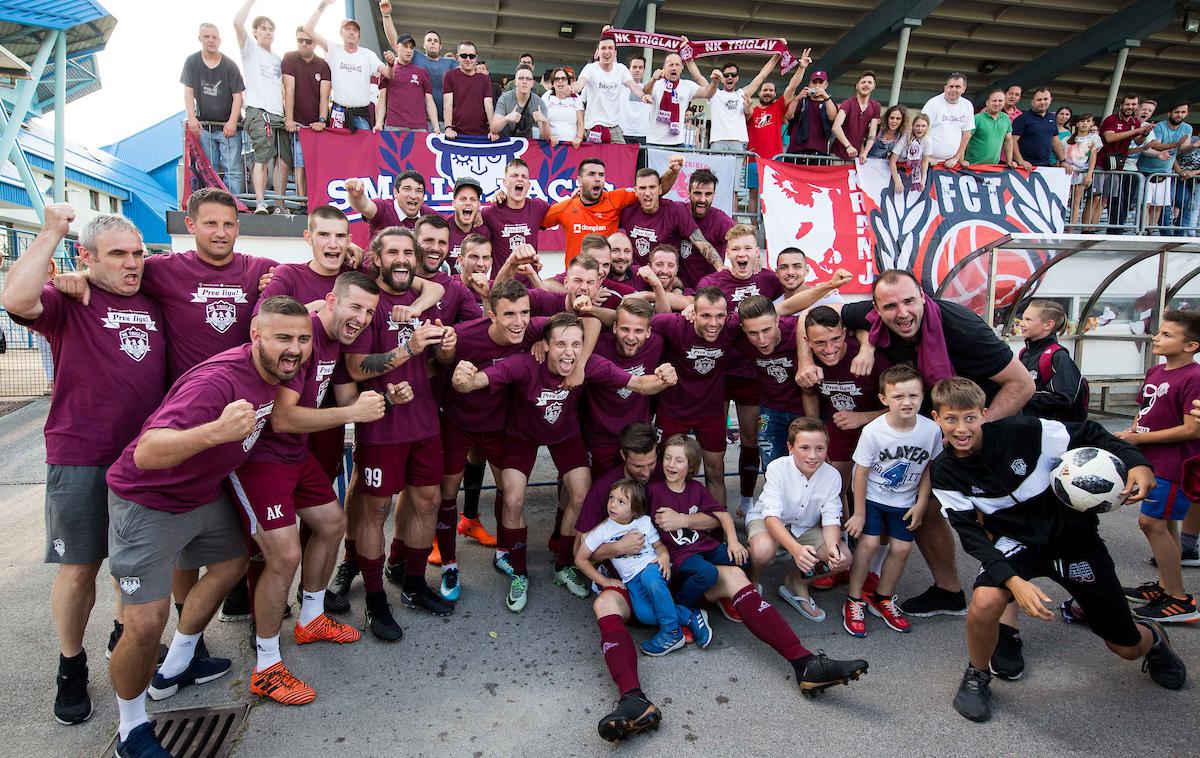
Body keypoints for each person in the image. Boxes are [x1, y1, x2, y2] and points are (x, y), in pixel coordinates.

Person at [103, 296, 310, 756]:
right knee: (143, 623)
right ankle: (130, 730)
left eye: (302, 338)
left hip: (202, 494)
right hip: (147, 501)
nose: (293, 349)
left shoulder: (279, 371)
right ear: (255, 335)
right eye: (282, 338)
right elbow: (146, 452)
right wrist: (215, 432)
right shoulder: (217, 381)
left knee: (233, 561)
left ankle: (177, 664)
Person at [928, 377, 1183, 723]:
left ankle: (1152, 640)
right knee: (986, 600)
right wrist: (1012, 581)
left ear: (985, 414)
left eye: (970, 417)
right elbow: (970, 535)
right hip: (1017, 545)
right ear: (937, 418)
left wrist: (1137, 462)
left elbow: (1090, 433)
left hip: (1075, 541)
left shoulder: (1025, 431)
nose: (961, 428)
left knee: (1124, 647)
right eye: (951, 419)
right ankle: (977, 674)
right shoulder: (944, 471)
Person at [2, 207, 167, 725]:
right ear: (87, 256)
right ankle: (71, 665)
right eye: (117, 254)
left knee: (130, 566)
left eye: (137, 253)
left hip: (143, 461)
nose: (132, 264)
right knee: (79, 568)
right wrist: (51, 232)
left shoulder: (154, 301)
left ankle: (124, 644)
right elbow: (16, 299)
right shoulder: (68, 301)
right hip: (81, 455)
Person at [809, 269, 1035, 619]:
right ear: (875, 310)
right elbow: (812, 319)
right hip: (935, 426)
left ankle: (1006, 625)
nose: (902, 313)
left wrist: (971, 432)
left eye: (909, 301)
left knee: (993, 516)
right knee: (925, 505)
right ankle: (949, 592)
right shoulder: (871, 316)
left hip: (984, 425)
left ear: (923, 298)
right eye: (890, 306)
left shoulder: (961, 327)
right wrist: (832, 353)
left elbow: (1021, 385)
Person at [452, 312, 676, 612]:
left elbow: (641, 385)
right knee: (514, 497)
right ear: (544, 345)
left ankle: (564, 564)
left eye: (575, 344)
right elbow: (477, 381)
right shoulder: (524, 363)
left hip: (565, 435)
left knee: (581, 492)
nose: (568, 352)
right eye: (560, 344)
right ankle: (518, 570)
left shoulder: (590, 364)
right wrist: (464, 377)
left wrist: (664, 378)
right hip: (521, 434)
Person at [231, 275, 385, 705]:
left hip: (295, 455)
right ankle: (266, 664)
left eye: (369, 312)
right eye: (354, 308)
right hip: (261, 457)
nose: (361, 318)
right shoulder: (307, 335)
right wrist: (353, 412)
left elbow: (343, 390)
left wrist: (381, 395)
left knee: (332, 523)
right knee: (284, 554)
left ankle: (312, 617)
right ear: (331, 301)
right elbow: (282, 417)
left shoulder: (334, 338)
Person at [341, 227, 454, 642]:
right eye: (393, 252)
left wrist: (444, 347)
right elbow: (354, 366)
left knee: (427, 500)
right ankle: (374, 599)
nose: (403, 259)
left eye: (409, 251)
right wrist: (409, 350)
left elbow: (438, 296)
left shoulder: (424, 297)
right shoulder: (368, 300)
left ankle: (412, 583)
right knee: (376, 509)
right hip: (382, 424)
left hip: (424, 421)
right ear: (376, 257)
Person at [1114, 309, 1200, 622]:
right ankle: (1166, 587)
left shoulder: (1194, 377)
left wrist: (1141, 441)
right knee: (1165, 524)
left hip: (1175, 464)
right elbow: (1145, 410)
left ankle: (1179, 600)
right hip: (1153, 460)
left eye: (1167, 334)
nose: (1156, 338)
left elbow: (1193, 429)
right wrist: (1133, 432)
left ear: (1190, 346)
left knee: (1151, 524)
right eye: (1158, 332)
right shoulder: (1156, 372)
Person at [844, 364, 939, 637]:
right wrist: (859, 512)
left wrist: (922, 502)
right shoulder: (874, 431)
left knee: (901, 549)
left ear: (923, 396)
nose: (907, 402)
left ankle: (883, 597)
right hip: (873, 498)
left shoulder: (930, 430)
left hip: (906, 501)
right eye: (898, 397)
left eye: (913, 396)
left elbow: (929, 468)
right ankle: (854, 599)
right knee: (869, 543)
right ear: (884, 399)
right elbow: (860, 473)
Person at [576, 478, 692, 656]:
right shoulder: (603, 530)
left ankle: (672, 632)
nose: (613, 504)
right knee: (645, 615)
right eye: (611, 498)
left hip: (653, 568)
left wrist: (664, 555)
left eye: (621, 501)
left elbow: (659, 546)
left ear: (635, 509)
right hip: (631, 580)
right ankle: (689, 615)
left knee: (649, 577)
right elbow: (580, 559)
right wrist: (604, 580)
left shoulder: (644, 522)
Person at [751, 418, 850, 622]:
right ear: (790, 447)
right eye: (804, 448)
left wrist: (833, 549)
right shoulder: (777, 468)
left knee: (844, 558)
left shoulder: (832, 476)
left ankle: (797, 581)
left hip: (802, 526)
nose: (813, 456)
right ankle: (750, 582)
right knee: (763, 550)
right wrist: (796, 550)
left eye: (819, 448)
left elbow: (831, 518)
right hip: (769, 521)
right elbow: (771, 516)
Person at [648, 435, 746, 626]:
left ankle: (722, 593)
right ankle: (680, 605)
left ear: (691, 467)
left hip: (703, 544)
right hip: (678, 552)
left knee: (742, 557)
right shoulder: (654, 490)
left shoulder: (696, 488)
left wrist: (733, 542)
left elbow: (723, 515)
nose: (671, 464)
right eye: (667, 458)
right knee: (707, 573)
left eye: (679, 460)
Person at [540, 156, 680, 266]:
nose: (597, 179)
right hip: (576, 279)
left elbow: (652, 190)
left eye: (601, 175)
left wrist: (672, 171)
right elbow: (533, 221)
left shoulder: (616, 198)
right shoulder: (566, 208)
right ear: (579, 180)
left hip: (607, 278)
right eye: (591, 174)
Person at [583, 298, 665, 475]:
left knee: (638, 490)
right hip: (599, 435)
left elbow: (676, 320)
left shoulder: (657, 343)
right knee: (598, 489)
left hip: (637, 434)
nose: (631, 336)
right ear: (614, 328)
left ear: (649, 332)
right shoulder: (595, 345)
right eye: (625, 329)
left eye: (638, 331)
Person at [234, 1, 290, 214]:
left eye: (271, 29)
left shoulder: (276, 58)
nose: (268, 33)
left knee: (283, 161)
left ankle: (279, 204)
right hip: (259, 111)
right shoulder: (250, 50)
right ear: (255, 32)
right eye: (264, 28)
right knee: (262, 157)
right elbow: (237, 23)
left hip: (278, 114)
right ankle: (260, 202)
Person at [620, 167, 719, 282]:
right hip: (636, 277)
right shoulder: (627, 211)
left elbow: (702, 243)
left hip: (666, 279)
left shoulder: (675, 211)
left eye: (652, 187)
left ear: (660, 189)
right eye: (642, 188)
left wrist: (720, 267)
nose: (647, 193)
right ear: (636, 191)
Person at [182, 23, 245, 196]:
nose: (211, 40)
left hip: (228, 127)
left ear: (220, 40)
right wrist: (192, 117)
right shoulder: (192, 62)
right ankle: (212, 202)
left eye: (214, 37)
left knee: (232, 169)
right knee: (208, 168)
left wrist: (232, 122)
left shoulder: (229, 65)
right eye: (207, 37)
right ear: (200, 38)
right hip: (205, 126)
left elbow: (238, 95)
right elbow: (188, 91)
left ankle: (233, 203)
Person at [305, 2, 387, 132]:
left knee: (363, 150)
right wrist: (323, 5)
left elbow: (388, 73)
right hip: (339, 111)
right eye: (347, 29)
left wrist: (393, 63)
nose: (351, 32)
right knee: (337, 150)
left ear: (359, 35)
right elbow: (308, 29)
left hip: (361, 113)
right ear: (341, 33)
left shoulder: (368, 54)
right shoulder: (333, 49)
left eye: (355, 30)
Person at [281, 25, 331, 198]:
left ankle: (316, 200)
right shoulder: (289, 58)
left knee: (317, 165)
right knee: (300, 164)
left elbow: (325, 96)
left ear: (314, 43)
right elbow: (289, 91)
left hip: (318, 125)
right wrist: (288, 119)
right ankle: (303, 203)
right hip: (298, 124)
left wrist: (322, 121)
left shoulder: (323, 64)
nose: (303, 44)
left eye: (308, 41)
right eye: (300, 40)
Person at [1017, 300, 1086, 423]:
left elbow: (1063, 398)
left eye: (1028, 320)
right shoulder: (1024, 353)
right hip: (1027, 425)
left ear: (1048, 325)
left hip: (1052, 430)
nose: (1021, 324)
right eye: (1022, 318)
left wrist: (1022, 396)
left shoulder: (1058, 356)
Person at [572, 37, 652, 144]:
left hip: (614, 128)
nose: (606, 52)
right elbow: (580, 83)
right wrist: (573, 88)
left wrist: (643, 96)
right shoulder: (590, 68)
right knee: (592, 160)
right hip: (593, 127)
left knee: (622, 158)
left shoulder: (621, 69)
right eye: (603, 48)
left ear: (614, 52)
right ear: (598, 52)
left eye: (610, 48)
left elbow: (633, 86)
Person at [481, 159, 551, 275]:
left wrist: (578, 197)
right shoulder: (489, 213)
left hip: (530, 286)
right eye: (514, 175)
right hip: (502, 286)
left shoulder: (539, 207)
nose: (519, 179)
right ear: (504, 182)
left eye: (524, 176)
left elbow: (565, 211)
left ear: (528, 185)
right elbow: (470, 224)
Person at [1099, 93, 1155, 233]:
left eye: (1133, 104)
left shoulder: (1135, 123)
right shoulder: (1111, 119)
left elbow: (1137, 141)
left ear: (1137, 106)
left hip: (1119, 165)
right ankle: (1089, 230)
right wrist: (1138, 130)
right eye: (1127, 104)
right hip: (1102, 163)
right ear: (1121, 106)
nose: (1130, 107)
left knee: (1118, 200)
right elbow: (1110, 138)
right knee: (1100, 199)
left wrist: (1145, 133)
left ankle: (1116, 230)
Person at [1139, 102, 1193, 230]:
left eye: (1183, 112)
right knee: (1145, 204)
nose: (1179, 115)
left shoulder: (1187, 128)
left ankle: (1150, 231)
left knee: (1158, 206)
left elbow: (1184, 149)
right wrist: (1175, 144)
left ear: (1187, 114)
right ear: (1170, 113)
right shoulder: (1159, 126)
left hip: (1165, 172)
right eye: (1177, 112)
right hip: (1146, 170)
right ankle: (1142, 230)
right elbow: (1156, 145)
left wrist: (1193, 146)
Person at [679, 169, 735, 288]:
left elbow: (743, 237)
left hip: (708, 291)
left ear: (714, 195)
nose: (702, 199)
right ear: (688, 193)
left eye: (708, 194)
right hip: (677, 288)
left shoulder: (722, 221)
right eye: (697, 193)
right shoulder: (678, 213)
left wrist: (755, 258)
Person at [345, 170, 438, 240]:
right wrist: (357, 196)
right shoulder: (383, 208)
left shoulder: (429, 215)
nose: (413, 196)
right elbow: (364, 206)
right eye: (407, 189)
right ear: (395, 192)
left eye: (419, 191)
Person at [376, 30, 439, 132]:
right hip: (394, 126)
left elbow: (429, 100)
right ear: (396, 47)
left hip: (419, 127)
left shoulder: (422, 73)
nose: (409, 50)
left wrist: (436, 126)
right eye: (405, 46)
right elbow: (381, 98)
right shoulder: (387, 71)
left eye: (411, 47)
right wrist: (379, 123)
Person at [921, 73, 973, 168]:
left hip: (951, 163)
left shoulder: (967, 105)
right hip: (929, 161)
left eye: (957, 87)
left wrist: (956, 158)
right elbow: (920, 131)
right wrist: (926, 156)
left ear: (964, 89)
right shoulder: (933, 103)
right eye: (951, 86)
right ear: (945, 88)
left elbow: (966, 134)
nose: (953, 89)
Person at [443, 40, 494, 139]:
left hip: (482, 134)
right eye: (464, 56)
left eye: (471, 56)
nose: (468, 59)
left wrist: (493, 129)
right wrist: (448, 128)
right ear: (458, 57)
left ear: (476, 58)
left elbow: (488, 105)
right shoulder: (449, 76)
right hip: (456, 134)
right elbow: (447, 104)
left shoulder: (485, 79)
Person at [1062, 114, 1103, 229]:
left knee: (1076, 202)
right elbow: (1061, 155)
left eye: (1088, 121)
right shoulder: (1067, 138)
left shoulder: (1094, 138)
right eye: (1082, 121)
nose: (1084, 123)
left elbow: (1093, 157)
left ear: (1092, 123)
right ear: (1077, 123)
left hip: (1080, 172)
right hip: (1065, 172)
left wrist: (1089, 174)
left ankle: (1070, 229)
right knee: (1063, 201)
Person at [490, 65, 551, 141]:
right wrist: (507, 118)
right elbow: (493, 128)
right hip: (506, 142)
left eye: (528, 79)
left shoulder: (539, 102)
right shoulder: (505, 98)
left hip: (527, 145)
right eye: (521, 78)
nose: (524, 82)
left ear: (532, 83)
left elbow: (546, 137)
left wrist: (544, 121)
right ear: (515, 82)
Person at [831, 70, 881, 161]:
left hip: (858, 156)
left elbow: (872, 133)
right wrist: (848, 146)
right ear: (857, 86)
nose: (866, 85)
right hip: (838, 154)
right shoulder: (847, 103)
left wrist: (865, 152)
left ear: (874, 86)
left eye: (869, 82)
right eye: (863, 82)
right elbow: (836, 127)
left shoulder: (876, 106)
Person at [1011, 87, 1066, 170]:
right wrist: (1021, 161)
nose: (1042, 102)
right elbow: (1012, 141)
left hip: (1045, 166)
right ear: (1032, 102)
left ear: (1050, 100)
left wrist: (1063, 161)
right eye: (1039, 100)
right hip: (1025, 167)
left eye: (1045, 99)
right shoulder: (1022, 118)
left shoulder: (1052, 118)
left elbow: (1056, 142)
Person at [785, 69, 837, 156]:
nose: (817, 85)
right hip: (796, 151)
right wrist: (797, 98)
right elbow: (788, 116)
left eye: (820, 83)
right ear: (809, 84)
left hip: (819, 152)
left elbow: (832, 117)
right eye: (814, 82)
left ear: (826, 85)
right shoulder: (802, 101)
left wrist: (826, 97)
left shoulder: (829, 103)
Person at [964, 90, 1015, 167]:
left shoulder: (1006, 118)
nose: (997, 103)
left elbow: (1008, 140)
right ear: (987, 103)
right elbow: (965, 139)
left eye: (1000, 101)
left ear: (1004, 102)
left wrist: (1009, 160)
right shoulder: (977, 118)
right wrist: (962, 160)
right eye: (994, 101)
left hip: (993, 167)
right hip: (973, 166)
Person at [889, 114, 933, 194]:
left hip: (913, 170)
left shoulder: (927, 140)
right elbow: (892, 160)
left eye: (923, 126)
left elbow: (924, 161)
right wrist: (897, 181)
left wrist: (923, 180)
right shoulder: (906, 137)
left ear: (927, 127)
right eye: (917, 126)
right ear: (913, 126)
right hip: (898, 167)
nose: (920, 129)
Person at [544, 67, 584, 148]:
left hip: (572, 145)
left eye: (563, 79)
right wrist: (549, 137)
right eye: (556, 79)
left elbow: (580, 122)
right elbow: (543, 121)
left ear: (568, 82)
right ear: (552, 83)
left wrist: (579, 138)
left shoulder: (576, 97)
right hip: (551, 144)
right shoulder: (547, 96)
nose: (560, 81)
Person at [619, 55, 652, 145]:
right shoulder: (620, 86)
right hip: (623, 133)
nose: (637, 70)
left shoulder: (649, 88)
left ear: (644, 70)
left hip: (643, 134)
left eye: (640, 67)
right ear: (629, 69)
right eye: (634, 67)